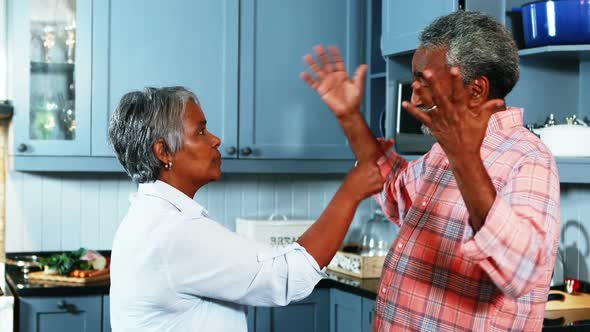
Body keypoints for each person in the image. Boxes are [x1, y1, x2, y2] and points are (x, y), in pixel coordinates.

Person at [301, 11, 560, 331]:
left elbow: (522, 270)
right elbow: (393, 189)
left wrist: (465, 160)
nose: (414, 96)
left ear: (476, 90)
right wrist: (350, 117)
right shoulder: (443, 152)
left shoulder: (528, 158)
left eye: (426, 82)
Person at [107, 86, 384, 331]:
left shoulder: (152, 218)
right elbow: (287, 275)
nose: (216, 139)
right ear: (163, 152)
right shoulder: (174, 232)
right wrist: (351, 192)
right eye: (201, 131)